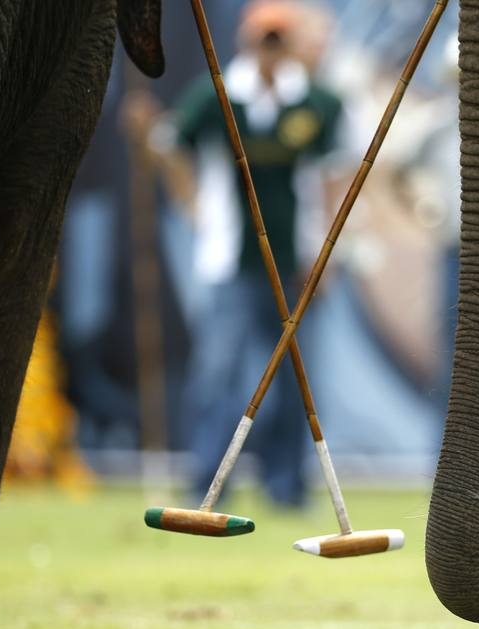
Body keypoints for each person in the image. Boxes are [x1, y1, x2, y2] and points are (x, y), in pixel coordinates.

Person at [124, 1, 344, 508]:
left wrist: (327, 251)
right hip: (230, 261)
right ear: (247, 42)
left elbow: (333, 175)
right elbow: (168, 145)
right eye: (263, 39)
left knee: (295, 379)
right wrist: (191, 202)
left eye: (278, 40)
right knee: (218, 372)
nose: (270, 50)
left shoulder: (318, 102)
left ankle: (287, 486)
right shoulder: (218, 95)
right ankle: (207, 480)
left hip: (296, 263)